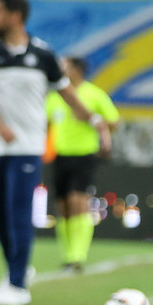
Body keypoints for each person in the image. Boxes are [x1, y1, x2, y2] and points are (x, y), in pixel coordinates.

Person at [0, 0, 111, 305]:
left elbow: (68, 95)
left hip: (27, 148)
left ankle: (18, 284)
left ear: (15, 16)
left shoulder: (43, 54)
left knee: (19, 212)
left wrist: (96, 120)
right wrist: (0, 126)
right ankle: (17, 267)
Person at [46, 56, 118, 273]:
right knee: (63, 205)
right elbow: (47, 122)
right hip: (60, 155)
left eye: (65, 67)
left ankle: (78, 255)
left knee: (78, 200)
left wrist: (102, 136)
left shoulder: (93, 94)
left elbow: (113, 121)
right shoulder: (55, 96)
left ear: (77, 70)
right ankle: (68, 255)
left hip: (84, 154)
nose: (62, 71)